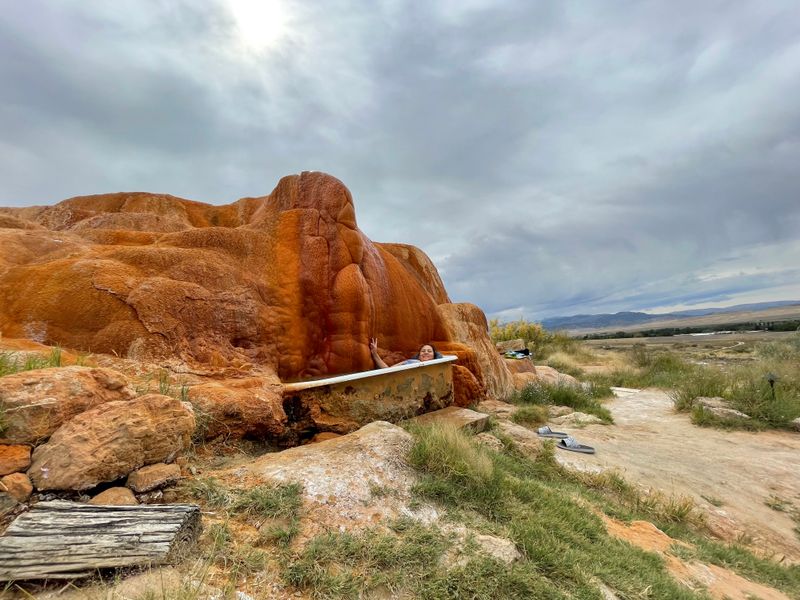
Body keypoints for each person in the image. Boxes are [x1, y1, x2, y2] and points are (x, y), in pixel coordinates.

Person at [369, 338, 442, 369]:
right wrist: (375, 354)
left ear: (434, 356)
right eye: (423, 351)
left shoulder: (438, 366)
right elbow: (388, 370)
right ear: (419, 356)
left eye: (429, 351)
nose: (426, 352)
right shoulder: (410, 362)